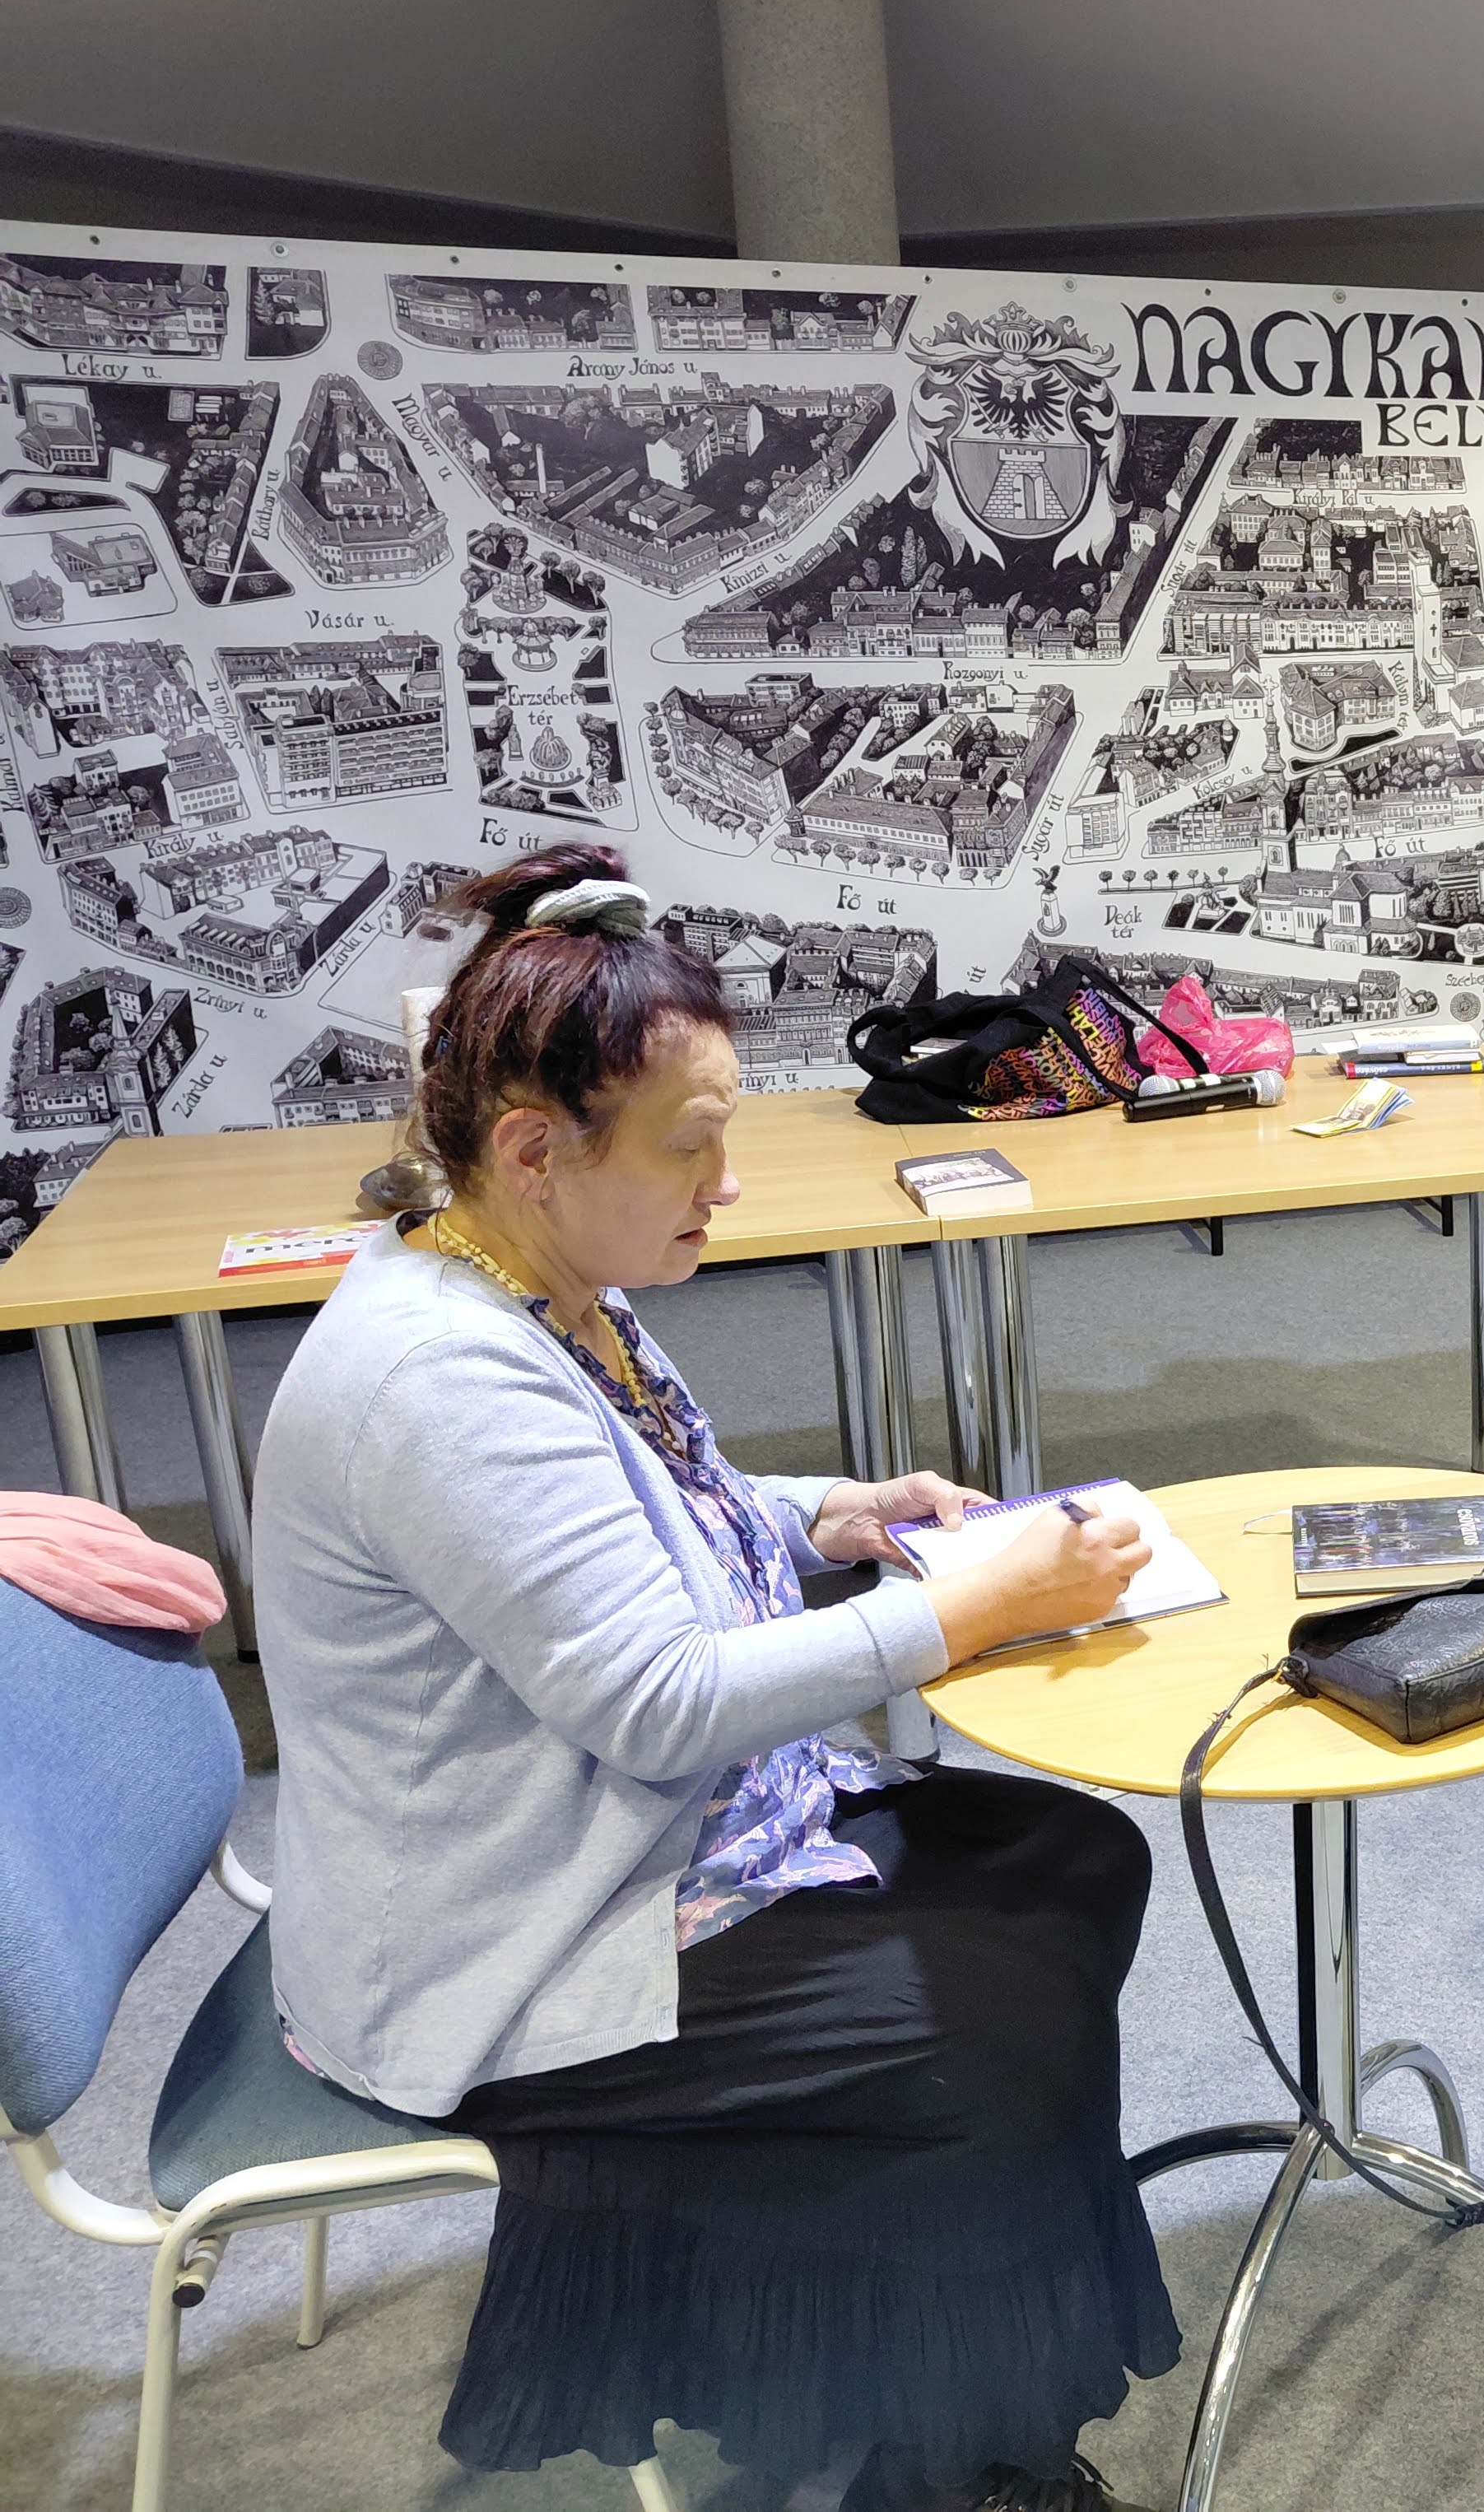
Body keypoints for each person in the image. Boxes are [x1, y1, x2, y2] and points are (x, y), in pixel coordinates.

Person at [254, 844, 1179, 2512]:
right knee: (985, 2042)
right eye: (692, 1144)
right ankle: (954, 2459)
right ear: (533, 1151)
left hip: (624, 1840)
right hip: (514, 1944)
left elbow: (636, 1511)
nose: (725, 1184)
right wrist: (967, 1615)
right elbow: (659, 1699)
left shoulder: (527, 1282)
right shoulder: (439, 1378)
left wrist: (829, 1514)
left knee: (1072, 1860)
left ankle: (886, 2362)